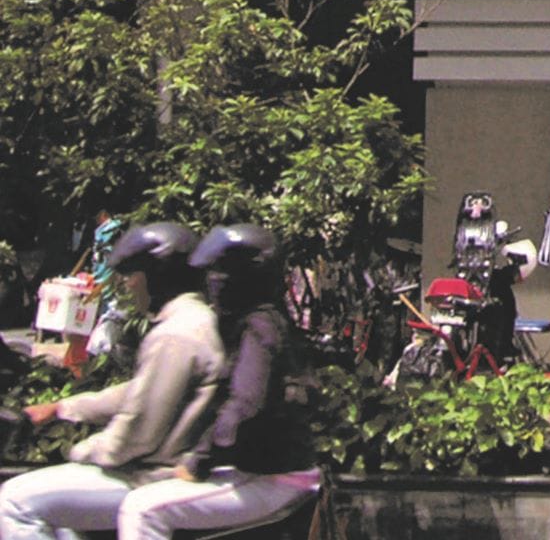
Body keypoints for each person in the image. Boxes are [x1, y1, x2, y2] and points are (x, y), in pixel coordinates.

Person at [0, 223, 227, 540]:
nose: (126, 284)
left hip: (151, 476)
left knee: (12, 503)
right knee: (59, 518)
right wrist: (63, 407)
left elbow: (136, 432)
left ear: (156, 278)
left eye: (132, 274)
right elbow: (141, 392)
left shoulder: (176, 336)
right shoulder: (194, 319)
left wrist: (84, 450)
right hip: (158, 469)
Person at [117, 226, 321, 540]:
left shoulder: (259, 327)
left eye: (222, 272)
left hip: (273, 476)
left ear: (245, 276)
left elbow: (245, 404)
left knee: (142, 509)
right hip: (269, 471)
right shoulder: (265, 321)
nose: (214, 282)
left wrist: (199, 461)